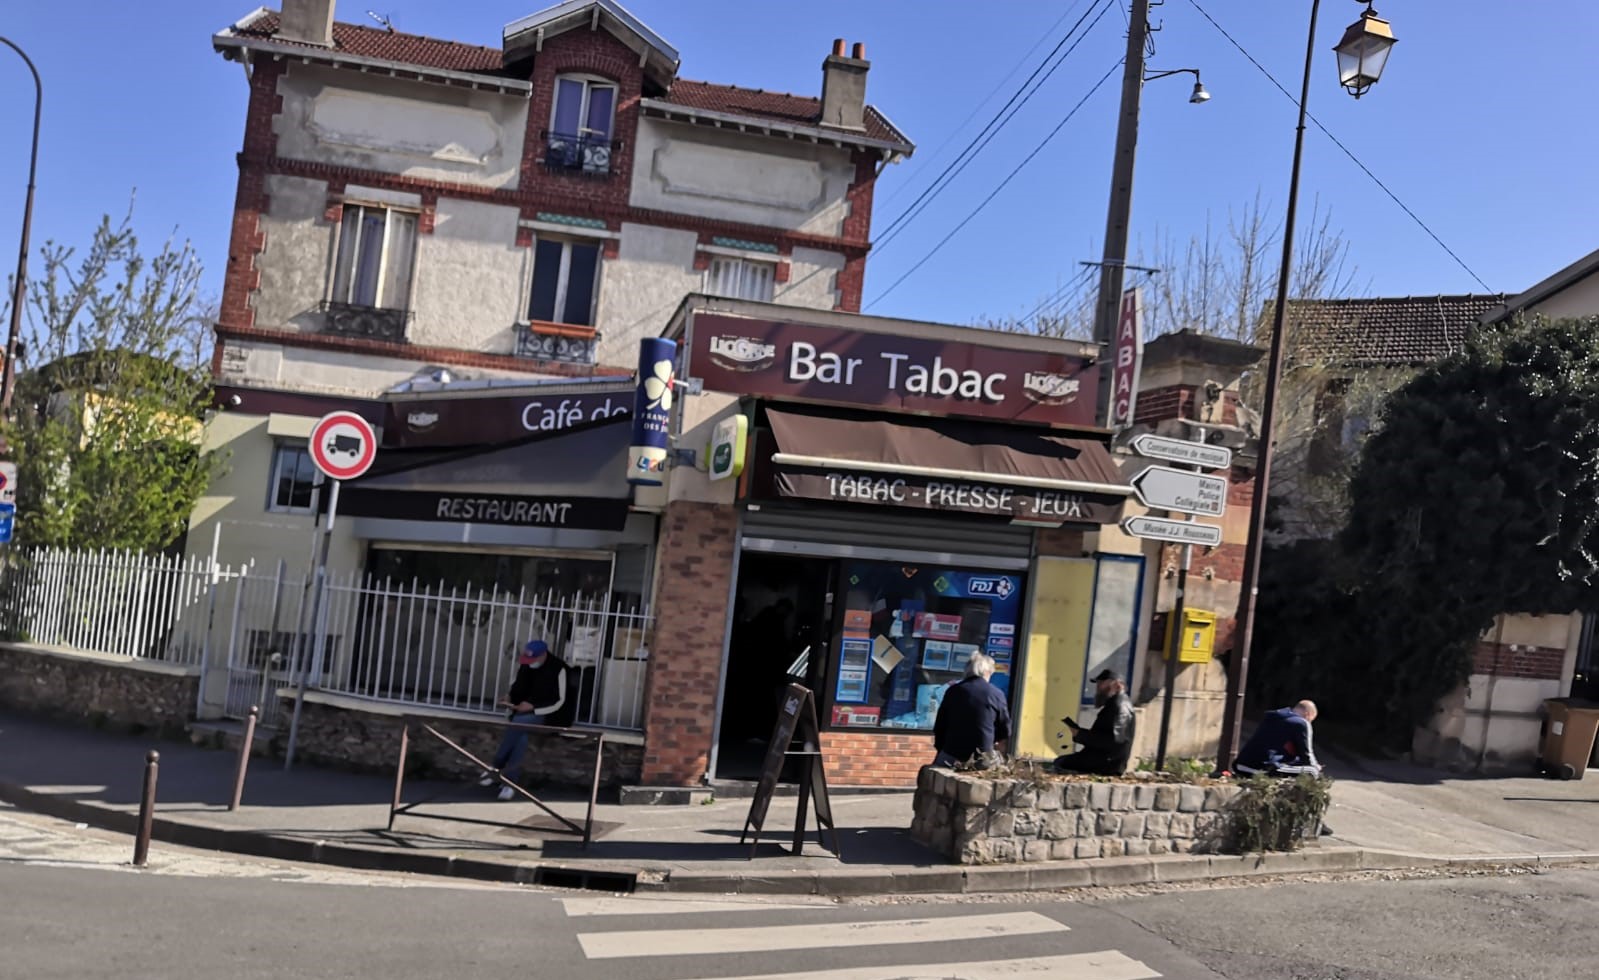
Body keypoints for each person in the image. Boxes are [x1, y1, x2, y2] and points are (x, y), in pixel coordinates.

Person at [479, 640, 569, 800]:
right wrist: (509, 697)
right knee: (521, 735)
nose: (530, 664)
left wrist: (534, 708)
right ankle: (510, 783)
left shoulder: (558, 669)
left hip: (549, 714)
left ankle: (496, 767)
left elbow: (559, 702)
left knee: (519, 724)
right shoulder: (526, 665)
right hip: (522, 715)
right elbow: (518, 685)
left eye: (534, 660)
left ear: (543, 656)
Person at [932, 653, 1011, 769]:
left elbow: (940, 726)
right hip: (983, 755)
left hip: (952, 752)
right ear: (987, 672)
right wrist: (992, 741)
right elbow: (1005, 729)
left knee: (936, 776)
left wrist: (940, 749)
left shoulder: (953, 691)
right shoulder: (996, 694)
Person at [1054, 669, 1136, 775]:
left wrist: (1081, 734)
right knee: (1062, 761)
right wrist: (1079, 733)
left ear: (1117, 685)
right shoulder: (1116, 704)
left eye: (1102, 683)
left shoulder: (1120, 706)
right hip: (1104, 759)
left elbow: (1115, 742)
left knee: (1061, 763)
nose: (1098, 687)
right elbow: (1104, 735)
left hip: (1107, 763)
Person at [1234, 700, 1322, 777]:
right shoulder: (1302, 723)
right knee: (1312, 771)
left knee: (1295, 765)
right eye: (1310, 720)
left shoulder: (1273, 717)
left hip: (1241, 766)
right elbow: (1307, 755)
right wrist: (1316, 767)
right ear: (1307, 715)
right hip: (1263, 768)